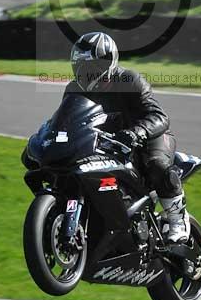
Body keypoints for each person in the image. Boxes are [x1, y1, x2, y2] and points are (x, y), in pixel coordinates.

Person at [66, 31, 190, 244]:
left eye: (91, 68)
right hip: (109, 143)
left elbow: (159, 116)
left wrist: (136, 132)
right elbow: (67, 121)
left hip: (150, 137)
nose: (85, 73)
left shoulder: (130, 80)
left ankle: (178, 219)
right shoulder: (74, 89)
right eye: (81, 68)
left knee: (156, 164)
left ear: (108, 63)